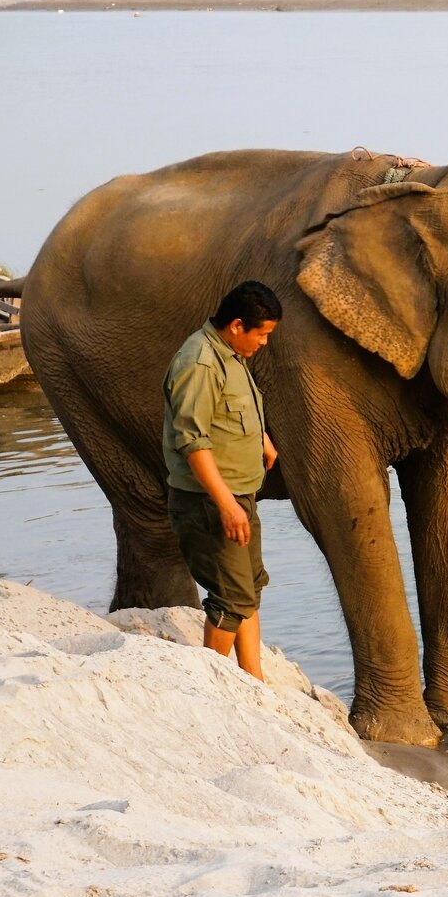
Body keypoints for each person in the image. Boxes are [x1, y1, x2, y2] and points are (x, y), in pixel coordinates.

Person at [162, 281, 281, 680]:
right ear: (236, 325)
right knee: (231, 599)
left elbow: (229, 410)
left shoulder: (231, 353)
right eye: (261, 333)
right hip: (210, 501)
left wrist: (261, 438)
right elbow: (192, 441)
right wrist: (227, 505)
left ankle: (252, 679)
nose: (264, 342)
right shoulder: (199, 362)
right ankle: (212, 686)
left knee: (250, 588)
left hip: (240, 493)